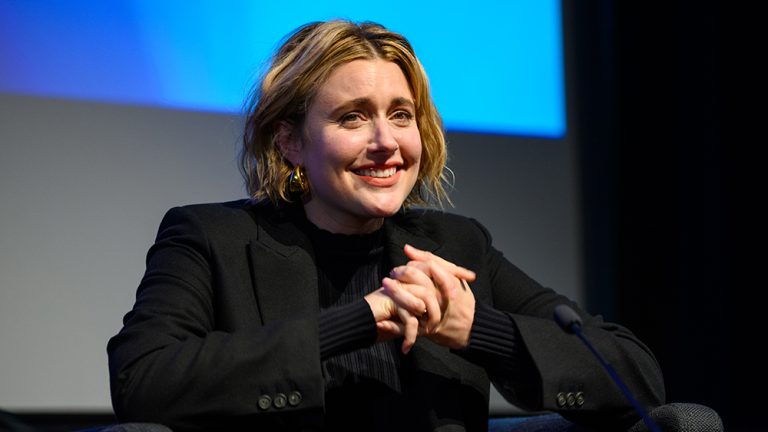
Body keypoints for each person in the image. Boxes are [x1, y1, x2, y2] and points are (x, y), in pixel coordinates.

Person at [107, 20, 664, 431]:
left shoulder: (455, 245)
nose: (387, 143)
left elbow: (635, 375)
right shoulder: (212, 239)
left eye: (401, 115)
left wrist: (479, 330)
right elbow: (143, 382)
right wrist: (359, 320)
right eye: (352, 117)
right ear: (291, 142)